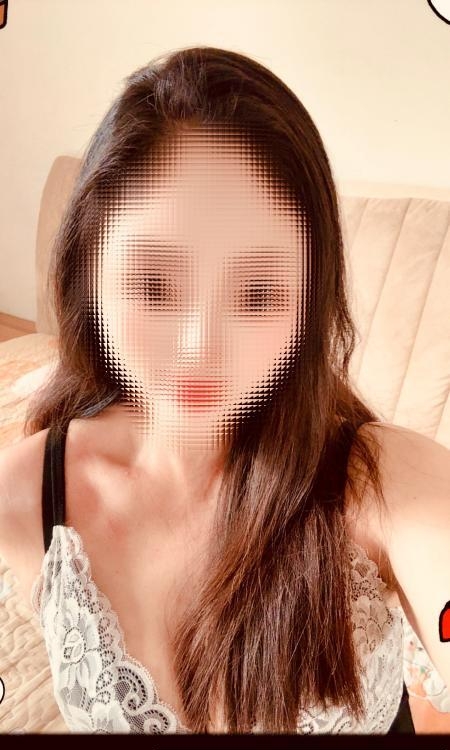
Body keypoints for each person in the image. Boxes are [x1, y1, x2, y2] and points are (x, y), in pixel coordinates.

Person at [0, 45, 448, 735]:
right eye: (153, 284)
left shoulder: (379, 483)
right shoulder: (26, 498)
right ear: (90, 275)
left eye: (259, 292)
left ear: (309, 300)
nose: (199, 348)